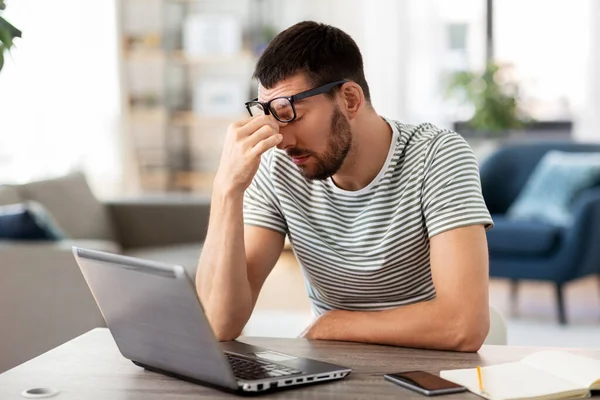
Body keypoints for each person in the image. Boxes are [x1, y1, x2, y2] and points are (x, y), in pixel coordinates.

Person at [196, 21, 494, 352]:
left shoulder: (437, 156)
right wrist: (226, 188)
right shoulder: (278, 166)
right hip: (333, 369)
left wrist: (334, 323)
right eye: (268, 115)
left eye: (290, 114)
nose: (281, 139)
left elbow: (464, 326)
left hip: (429, 366)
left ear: (350, 99)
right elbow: (219, 322)